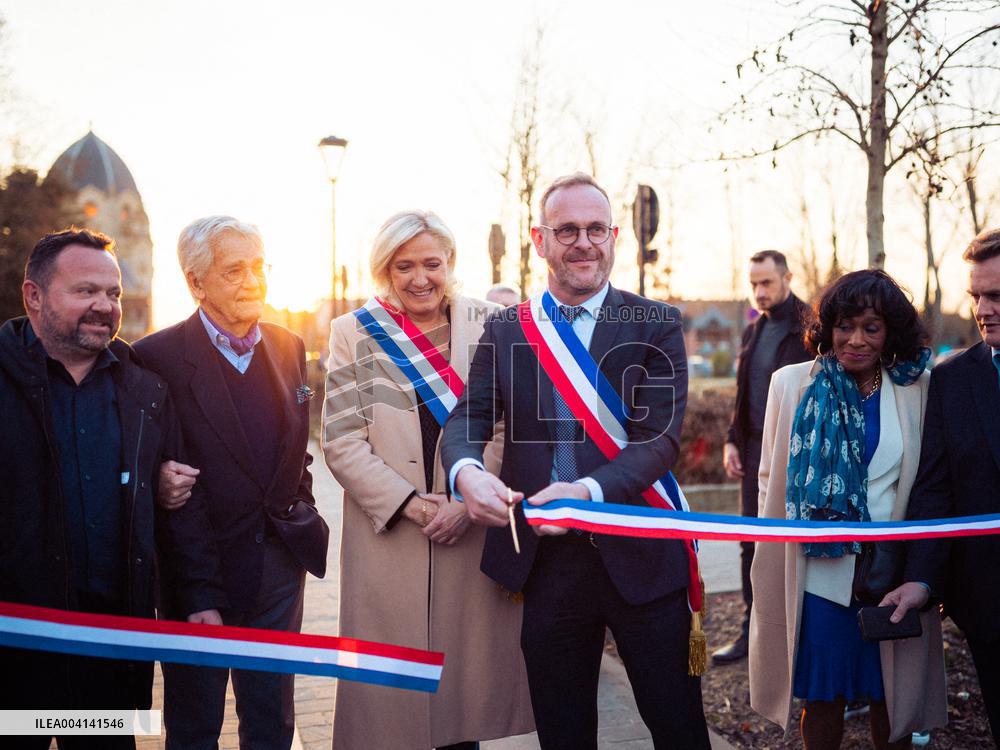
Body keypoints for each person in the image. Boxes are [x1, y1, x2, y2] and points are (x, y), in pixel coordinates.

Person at [441, 173, 710, 749]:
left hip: (641, 549)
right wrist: (467, 474)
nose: (584, 243)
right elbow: (468, 419)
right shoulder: (506, 330)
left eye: (596, 229)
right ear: (540, 240)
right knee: (563, 736)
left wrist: (585, 492)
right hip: (548, 564)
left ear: (614, 237)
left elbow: (658, 441)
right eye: (567, 230)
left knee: (679, 730)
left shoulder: (655, 323)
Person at [0, 228, 225, 750]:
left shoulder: (145, 388)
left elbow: (180, 504)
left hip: (112, 649)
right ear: (34, 296)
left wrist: (200, 597)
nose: (104, 306)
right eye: (85, 291)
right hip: (16, 653)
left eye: (113, 293)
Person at [321, 209, 534, 750]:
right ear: (385, 271)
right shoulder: (353, 332)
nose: (420, 278)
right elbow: (341, 441)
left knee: (464, 704)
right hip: (391, 535)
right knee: (391, 715)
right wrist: (414, 506)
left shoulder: (492, 323)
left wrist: (467, 502)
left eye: (432, 264)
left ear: (450, 263)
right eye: (404, 266)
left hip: (471, 531)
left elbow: (509, 427)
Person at [135, 216, 329, 750]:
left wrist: (300, 512)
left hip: (278, 573)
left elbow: (295, 450)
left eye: (259, 267)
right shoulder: (154, 358)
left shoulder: (289, 345)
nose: (252, 281)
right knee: (194, 728)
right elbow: (157, 475)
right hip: (199, 578)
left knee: (272, 725)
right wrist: (197, 591)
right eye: (234, 270)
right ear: (196, 282)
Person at [749, 269, 948, 749]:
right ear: (828, 327)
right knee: (823, 697)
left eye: (871, 328)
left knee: (892, 698)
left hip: (892, 575)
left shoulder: (918, 388)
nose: (855, 340)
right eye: (844, 326)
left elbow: (929, 484)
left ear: (889, 333)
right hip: (819, 574)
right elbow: (769, 480)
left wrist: (923, 569)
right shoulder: (791, 384)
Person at [881, 227, 1000, 745]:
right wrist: (922, 578)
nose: (982, 310)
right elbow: (935, 490)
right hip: (989, 603)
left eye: (996, 296)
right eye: (976, 295)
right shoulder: (952, 380)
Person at [716, 249, 812, 664]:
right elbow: (744, 395)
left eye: (766, 282)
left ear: (787, 278)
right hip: (753, 452)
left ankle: (798, 635)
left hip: (796, 455)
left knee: (794, 544)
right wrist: (731, 441)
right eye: (753, 284)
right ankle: (751, 631)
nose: (759, 292)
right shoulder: (752, 331)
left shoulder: (811, 328)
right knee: (749, 542)